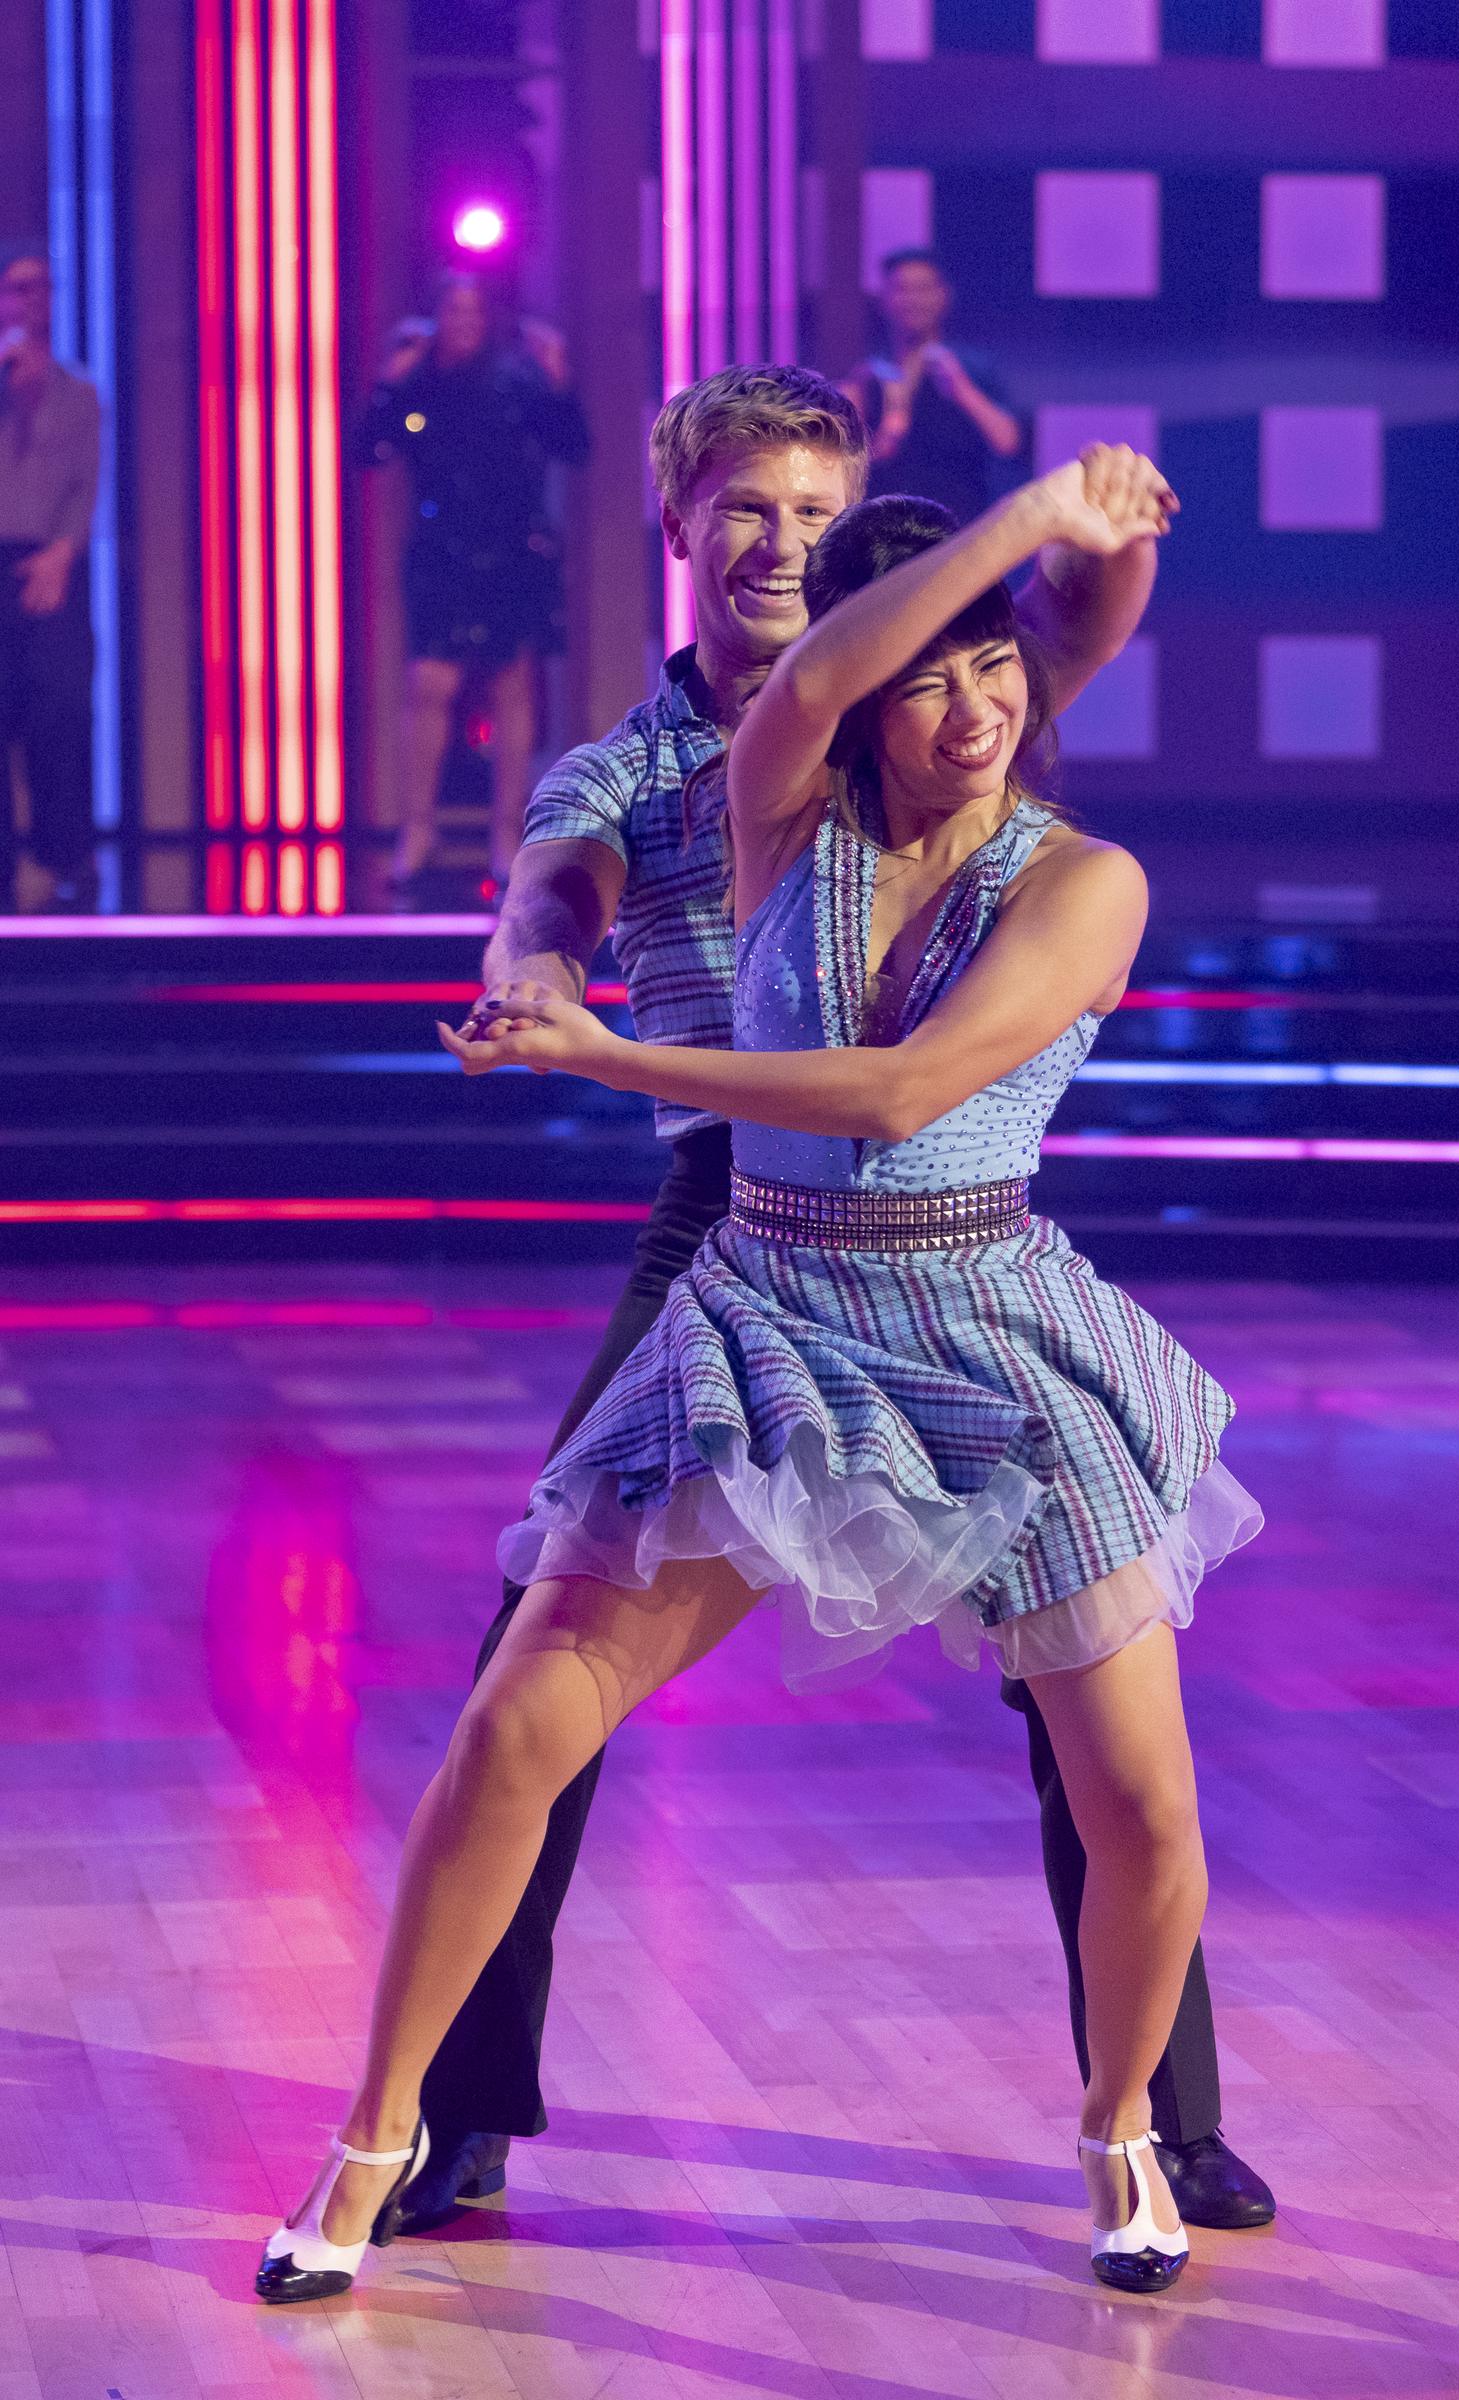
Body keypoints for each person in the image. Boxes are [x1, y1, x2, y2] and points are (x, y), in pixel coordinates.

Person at [258, 460, 1263, 2306]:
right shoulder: (772, 813)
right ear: (860, 695)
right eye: (925, 677)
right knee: (516, 1722)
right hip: (767, 1314)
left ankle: (1128, 2123)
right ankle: (378, 2132)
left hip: (987, 1327)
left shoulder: (1087, 882)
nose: (968, 711)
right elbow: (785, 699)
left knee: (1141, 1804)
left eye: (997, 676)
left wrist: (607, 1059)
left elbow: (896, 1098)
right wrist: (1013, 523)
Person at [350, 276, 590, 903]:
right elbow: (369, 451)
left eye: (473, 310)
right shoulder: (420, 381)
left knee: (511, 685)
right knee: (430, 684)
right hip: (441, 553)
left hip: (510, 551)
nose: (461, 320)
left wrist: (559, 378)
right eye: (450, 309)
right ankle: (417, 832)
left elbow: (574, 446)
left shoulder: (516, 379)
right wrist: (391, 380)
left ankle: (506, 836)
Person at [0, 241, 100, 914]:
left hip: (51, 561)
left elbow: (85, 480)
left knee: (60, 708)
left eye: (41, 289)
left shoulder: (80, 392)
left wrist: (64, 550)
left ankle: (64, 852)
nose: (30, 302)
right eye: (18, 289)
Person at [843, 249, 1024, 526]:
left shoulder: (973, 367)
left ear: (943, 296)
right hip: (886, 526)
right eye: (901, 289)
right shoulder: (870, 375)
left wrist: (962, 391)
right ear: (884, 299)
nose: (913, 300)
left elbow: (1008, 442)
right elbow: (852, 461)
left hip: (958, 527)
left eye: (923, 289)